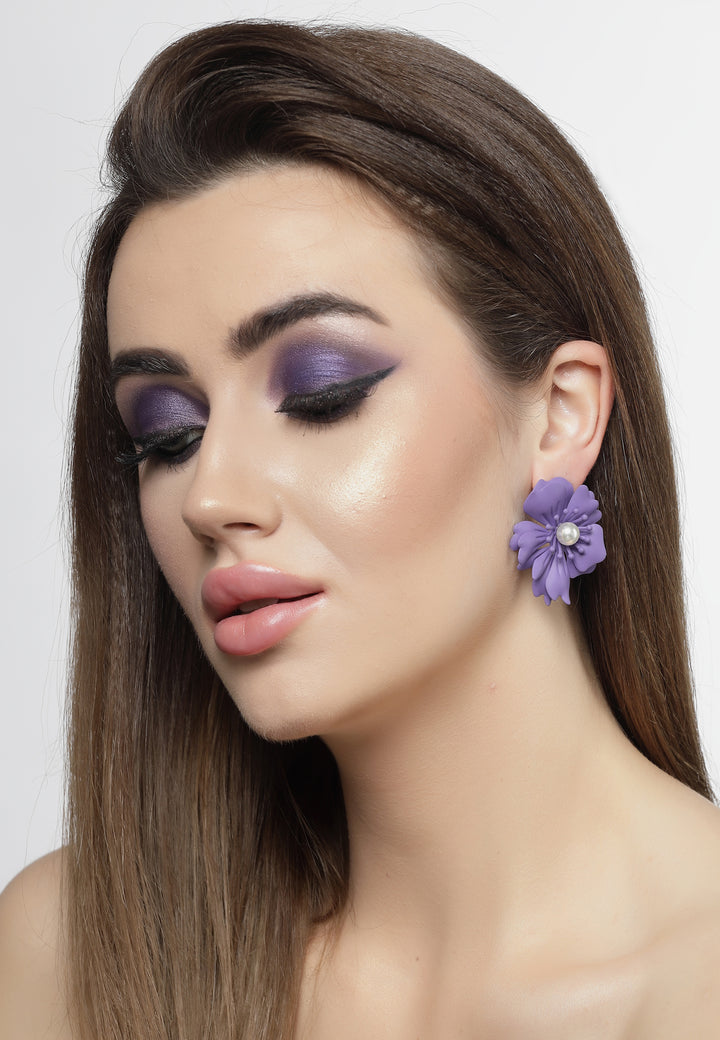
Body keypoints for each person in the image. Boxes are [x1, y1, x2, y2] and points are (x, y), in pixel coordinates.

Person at [1, 19, 719, 1039]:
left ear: (560, 416)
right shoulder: (67, 958)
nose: (210, 496)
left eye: (321, 392)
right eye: (166, 434)